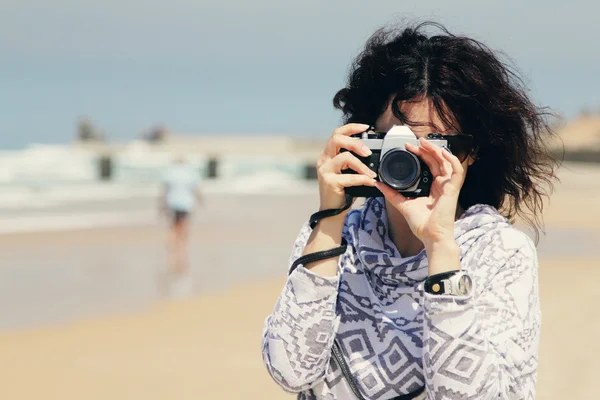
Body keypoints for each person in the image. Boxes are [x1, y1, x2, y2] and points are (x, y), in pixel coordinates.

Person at [261, 22, 559, 399]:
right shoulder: (334, 237)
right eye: (396, 142)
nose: (412, 159)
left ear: (472, 153)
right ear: (364, 140)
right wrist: (330, 218)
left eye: (436, 144)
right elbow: (290, 371)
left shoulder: (500, 252)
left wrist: (441, 248)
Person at [160, 155, 202, 277]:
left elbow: (164, 190)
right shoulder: (190, 173)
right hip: (185, 203)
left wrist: (161, 205)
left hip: (171, 202)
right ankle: (182, 248)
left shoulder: (170, 173)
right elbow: (196, 189)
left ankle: (171, 245)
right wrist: (200, 201)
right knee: (184, 225)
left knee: (173, 225)